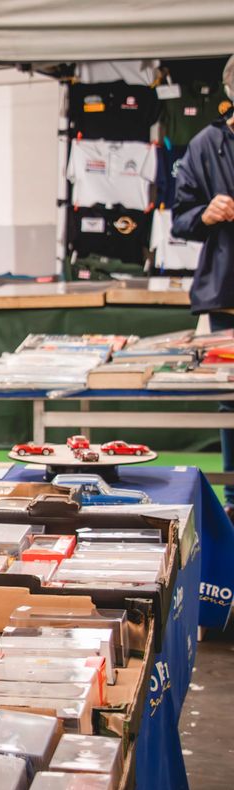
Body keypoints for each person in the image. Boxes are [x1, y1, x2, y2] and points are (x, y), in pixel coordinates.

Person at [173, 54, 234, 515]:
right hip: (227, 293)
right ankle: (233, 499)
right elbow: (180, 219)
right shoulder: (205, 145)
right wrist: (205, 213)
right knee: (231, 399)